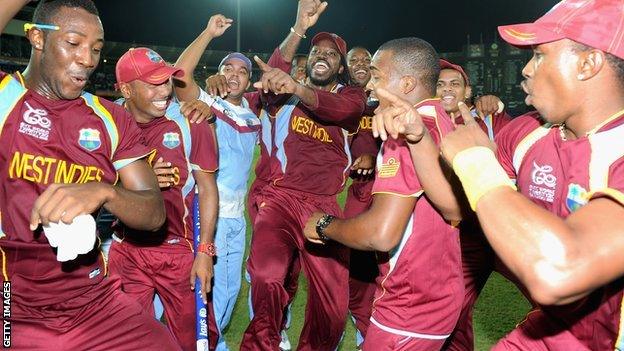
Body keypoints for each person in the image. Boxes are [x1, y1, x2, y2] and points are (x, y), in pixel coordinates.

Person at [382, 1, 624, 349]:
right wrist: (419, 138)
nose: (526, 70)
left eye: (539, 56)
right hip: (559, 326)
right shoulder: (529, 132)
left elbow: (558, 272)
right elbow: (456, 207)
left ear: (588, 63)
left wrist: (476, 161)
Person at [0, 0, 181, 349]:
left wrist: (104, 192)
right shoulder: (5, 98)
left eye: (96, 48)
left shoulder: (111, 118)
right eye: (73, 43)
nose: (88, 59)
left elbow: (154, 213)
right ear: (37, 38)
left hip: (92, 298)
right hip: (12, 300)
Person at [211, 0, 366, 348]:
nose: (322, 56)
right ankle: (263, 344)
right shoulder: (281, 93)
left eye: (332, 54)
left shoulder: (351, 97)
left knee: (332, 303)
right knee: (268, 275)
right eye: (316, 51)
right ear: (307, 61)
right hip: (278, 199)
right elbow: (269, 74)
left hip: (323, 207)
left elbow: (342, 109)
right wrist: (299, 28)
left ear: (340, 67)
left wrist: (297, 88)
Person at [304, 37, 464, 350]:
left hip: (409, 303)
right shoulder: (442, 120)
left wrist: (325, 226)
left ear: (406, 84)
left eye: (377, 76)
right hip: (437, 291)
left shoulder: (403, 136)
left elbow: (381, 233)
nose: (369, 86)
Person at [108, 47, 220, 351]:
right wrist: (137, 183)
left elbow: (207, 188)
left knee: (196, 342)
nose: (166, 91)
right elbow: (86, 182)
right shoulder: (106, 123)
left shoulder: (190, 121)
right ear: (127, 89)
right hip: (126, 250)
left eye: (167, 81)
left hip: (178, 253)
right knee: (127, 341)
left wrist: (206, 251)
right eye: (153, 84)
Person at [172, 14, 262, 351]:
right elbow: (180, 75)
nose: (235, 74)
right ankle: (203, 343)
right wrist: (208, 32)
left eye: (242, 71)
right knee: (204, 289)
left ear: (249, 82)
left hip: (237, 219)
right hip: (207, 212)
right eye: (228, 68)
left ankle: (209, 340)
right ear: (219, 74)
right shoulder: (207, 103)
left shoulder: (253, 117)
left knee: (228, 292)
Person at [435, 60, 519, 351]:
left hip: (503, 227)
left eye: (454, 84)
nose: (447, 89)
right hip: (463, 235)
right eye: (440, 84)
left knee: (556, 296)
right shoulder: (425, 122)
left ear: (468, 90)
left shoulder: (489, 119)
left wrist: (499, 108)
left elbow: (520, 140)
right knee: (455, 307)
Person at [344, 45, 380, 348]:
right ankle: (363, 326)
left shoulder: (385, 98)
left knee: (386, 265)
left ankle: (375, 329)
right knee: (354, 263)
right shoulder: (341, 100)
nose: (360, 64)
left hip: (387, 191)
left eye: (365, 60)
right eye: (353, 60)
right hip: (351, 192)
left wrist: (374, 157)